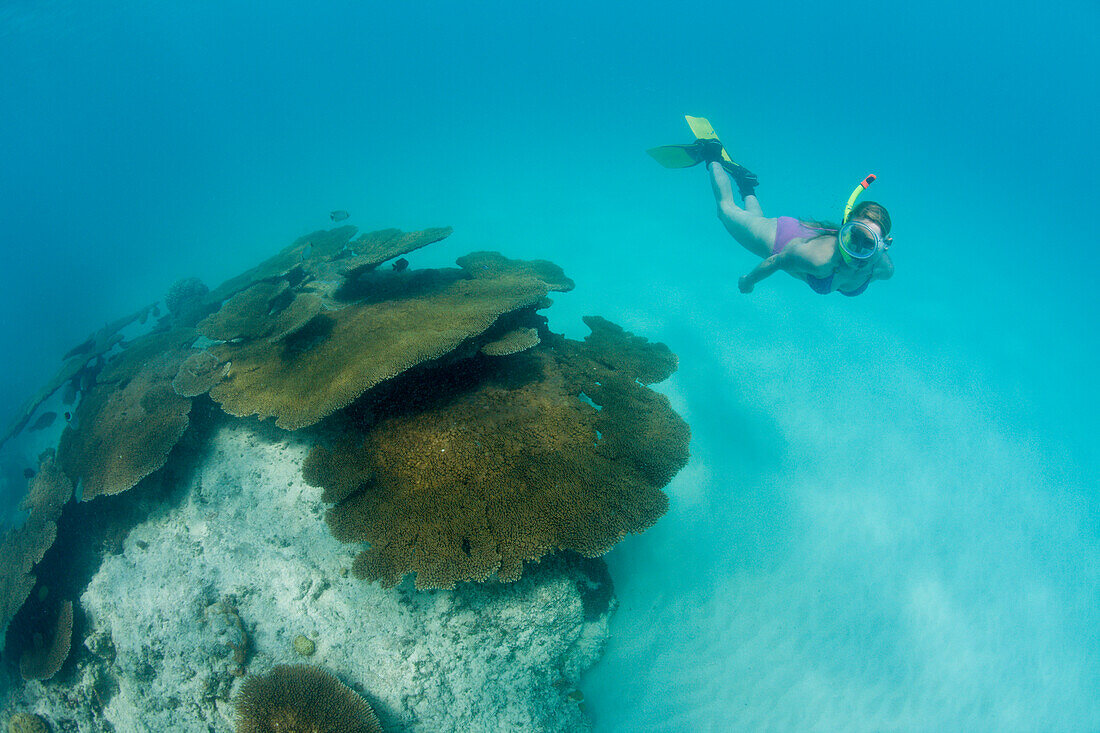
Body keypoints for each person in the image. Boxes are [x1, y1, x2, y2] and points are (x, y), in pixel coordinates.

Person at [693, 138, 894, 296]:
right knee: (726, 211)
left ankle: (746, 185)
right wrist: (748, 281)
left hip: (803, 236)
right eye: (853, 237)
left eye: (867, 243)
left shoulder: (883, 269)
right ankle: (711, 154)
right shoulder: (820, 260)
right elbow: (778, 261)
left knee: (754, 220)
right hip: (778, 240)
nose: (856, 250)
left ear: (885, 244)